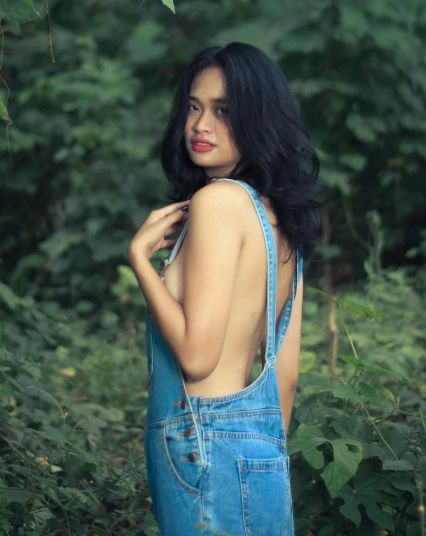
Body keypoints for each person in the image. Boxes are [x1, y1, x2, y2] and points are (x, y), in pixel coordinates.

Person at [128, 42, 319, 536]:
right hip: (261, 447)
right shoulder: (279, 220)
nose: (200, 125)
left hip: (199, 441)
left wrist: (140, 264)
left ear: (257, 120)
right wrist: (250, 443)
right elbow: (287, 375)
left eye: (223, 111)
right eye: (194, 106)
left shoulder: (216, 203)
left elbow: (196, 358)